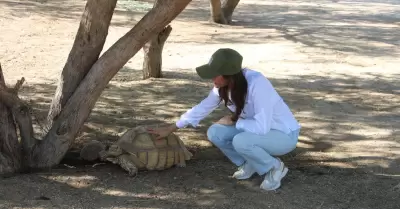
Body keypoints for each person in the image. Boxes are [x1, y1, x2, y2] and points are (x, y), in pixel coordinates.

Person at [147, 48, 301, 191]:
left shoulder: (258, 84)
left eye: (215, 74)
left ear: (230, 75)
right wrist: (172, 127)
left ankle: (274, 167)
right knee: (215, 132)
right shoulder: (223, 86)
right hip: (257, 130)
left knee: (241, 141)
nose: (211, 78)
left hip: (283, 134)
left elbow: (262, 127)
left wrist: (235, 121)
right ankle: (249, 163)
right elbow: (203, 107)